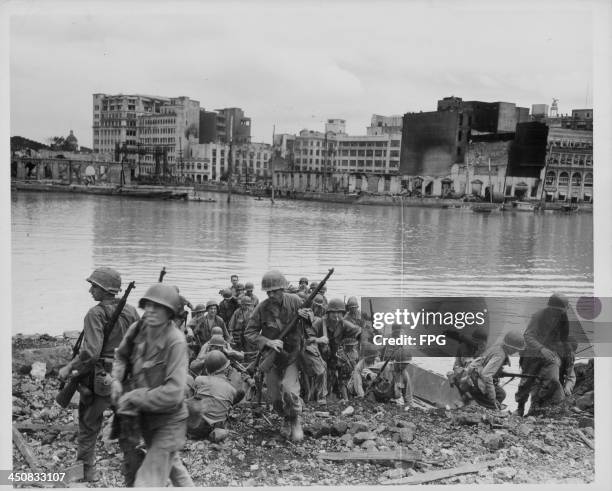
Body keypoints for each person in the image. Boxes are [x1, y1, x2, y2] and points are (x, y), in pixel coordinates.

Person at [58, 267, 139, 482]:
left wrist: (69, 367)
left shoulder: (95, 313)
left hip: (101, 378)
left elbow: (91, 353)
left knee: (89, 423)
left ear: (104, 290)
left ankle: (87, 472)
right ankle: (135, 469)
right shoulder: (131, 311)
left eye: (94, 286)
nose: (90, 290)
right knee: (127, 421)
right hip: (126, 377)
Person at [111, 283, 193, 487]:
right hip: (145, 418)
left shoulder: (176, 342)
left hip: (170, 421)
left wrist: (134, 396)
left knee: (147, 480)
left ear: (170, 313)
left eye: (157, 307)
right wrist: (116, 380)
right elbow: (121, 356)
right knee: (173, 466)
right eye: (147, 305)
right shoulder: (138, 328)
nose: (149, 310)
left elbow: (174, 393)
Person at [244, 270, 313, 442]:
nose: (271, 294)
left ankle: (295, 419)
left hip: (292, 354)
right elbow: (250, 332)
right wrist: (268, 341)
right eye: (269, 292)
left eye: (275, 291)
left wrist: (307, 317)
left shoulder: (295, 300)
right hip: (273, 356)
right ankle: (285, 417)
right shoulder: (262, 308)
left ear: (283, 288)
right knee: (274, 397)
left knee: (289, 390)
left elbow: (311, 319)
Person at [515, 293, 570, 416]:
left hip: (551, 355)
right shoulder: (538, 316)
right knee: (526, 383)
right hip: (532, 353)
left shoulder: (564, 319)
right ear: (550, 308)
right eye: (556, 310)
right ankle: (520, 408)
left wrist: (562, 354)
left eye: (561, 311)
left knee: (553, 380)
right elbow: (528, 336)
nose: (558, 313)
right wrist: (542, 349)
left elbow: (562, 339)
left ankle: (548, 407)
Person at [459, 330, 525, 410]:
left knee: (497, 391)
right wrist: (492, 397)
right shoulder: (500, 355)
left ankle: (474, 400)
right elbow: (486, 375)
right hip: (474, 381)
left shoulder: (498, 347)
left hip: (470, 376)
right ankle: (482, 408)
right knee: (500, 394)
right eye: (515, 349)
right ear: (509, 346)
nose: (516, 352)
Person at [186, 351, 245, 439]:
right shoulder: (231, 389)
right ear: (226, 369)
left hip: (193, 427)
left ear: (206, 370)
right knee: (240, 393)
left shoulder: (199, 379)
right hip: (215, 429)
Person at [311, 298, 361, 400]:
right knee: (320, 374)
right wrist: (318, 340)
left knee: (336, 375)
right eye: (333, 312)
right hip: (318, 354)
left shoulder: (342, 323)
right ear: (328, 313)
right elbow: (308, 337)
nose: (336, 315)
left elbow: (357, 331)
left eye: (339, 312)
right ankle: (317, 397)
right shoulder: (320, 323)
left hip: (333, 355)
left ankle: (331, 395)